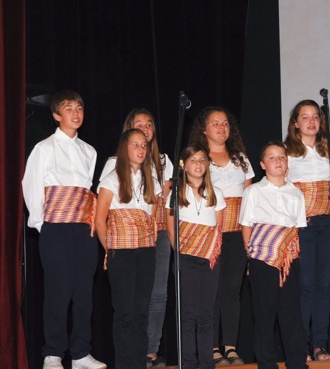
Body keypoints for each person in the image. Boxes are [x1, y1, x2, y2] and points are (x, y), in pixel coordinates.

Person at [22, 90, 106, 369]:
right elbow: (31, 187)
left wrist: (89, 221)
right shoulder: (44, 148)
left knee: (83, 291)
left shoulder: (89, 151)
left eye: (79, 108)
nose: (75, 113)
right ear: (57, 115)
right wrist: (42, 224)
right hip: (55, 227)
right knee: (58, 290)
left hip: (82, 229)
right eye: (69, 108)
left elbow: (87, 191)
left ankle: (81, 352)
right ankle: (53, 353)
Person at [99, 108, 173, 367]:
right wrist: (109, 250)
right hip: (121, 250)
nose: (141, 149)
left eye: (144, 145)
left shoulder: (152, 178)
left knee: (142, 309)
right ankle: (125, 363)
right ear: (125, 147)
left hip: (146, 249)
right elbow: (100, 218)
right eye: (135, 144)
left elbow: (152, 217)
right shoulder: (112, 177)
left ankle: (140, 361)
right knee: (125, 311)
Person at [189, 107, 254, 366]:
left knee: (232, 290)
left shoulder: (241, 159)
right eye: (215, 123)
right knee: (211, 292)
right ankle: (212, 348)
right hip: (210, 232)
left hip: (237, 232)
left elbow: (249, 199)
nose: (221, 127)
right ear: (204, 129)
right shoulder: (199, 158)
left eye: (225, 123)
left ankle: (231, 346)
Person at [239, 141, 308, 369]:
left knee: (291, 313)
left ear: (287, 162)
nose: (278, 161)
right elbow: (246, 226)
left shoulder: (296, 193)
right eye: (272, 157)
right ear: (262, 164)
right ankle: (267, 364)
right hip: (262, 260)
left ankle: (297, 363)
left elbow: (297, 229)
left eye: (282, 157)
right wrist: (252, 257)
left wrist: (290, 256)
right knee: (264, 314)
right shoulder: (253, 191)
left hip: (289, 261)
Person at [284, 100, 330, 361]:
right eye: (305, 117)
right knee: (305, 285)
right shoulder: (287, 151)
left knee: (322, 285)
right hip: (301, 225)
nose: (311, 121)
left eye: (315, 116)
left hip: (325, 223)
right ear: (295, 123)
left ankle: (320, 344)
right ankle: (302, 345)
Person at [166, 144, 226, 369]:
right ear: (183, 165)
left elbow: (218, 228)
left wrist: (208, 251)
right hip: (186, 258)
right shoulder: (176, 193)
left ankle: (206, 363)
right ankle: (189, 363)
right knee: (187, 314)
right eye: (193, 160)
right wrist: (182, 252)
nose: (198, 164)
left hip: (209, 259)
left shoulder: (216, 193)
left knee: (206, 314)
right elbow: (171, 227)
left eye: (202, 160)